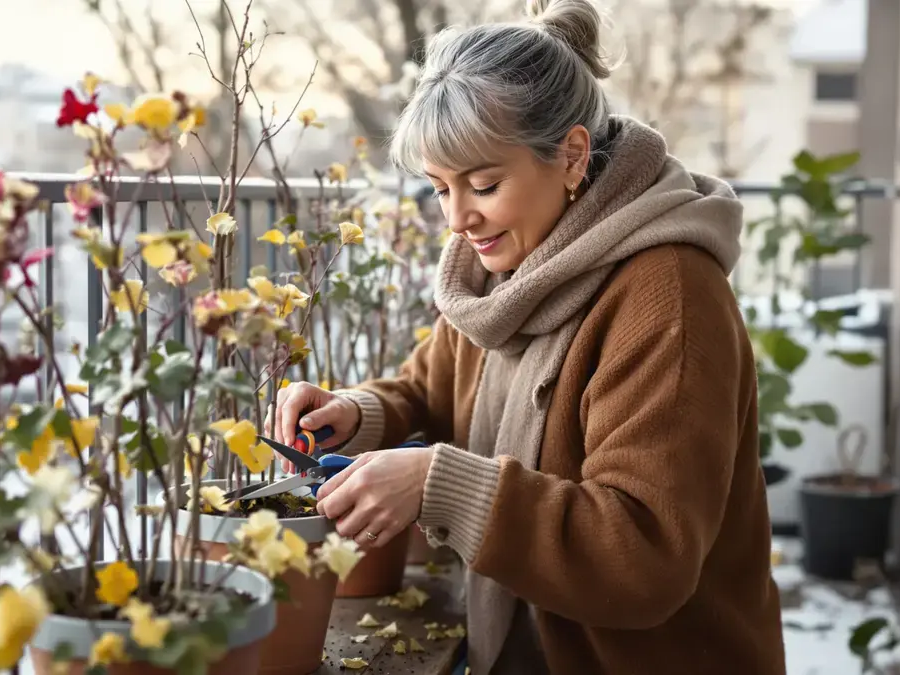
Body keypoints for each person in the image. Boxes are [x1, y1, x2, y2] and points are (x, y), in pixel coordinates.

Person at [269, 0, 786, 673]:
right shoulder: (504, 268)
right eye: (439, 188)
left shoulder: (670, 299)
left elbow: (645, 557)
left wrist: (439, 483)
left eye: (483, 183)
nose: (458, 217)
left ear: (572, 156)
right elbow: (431, 383)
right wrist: (356, 413)